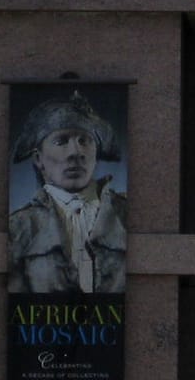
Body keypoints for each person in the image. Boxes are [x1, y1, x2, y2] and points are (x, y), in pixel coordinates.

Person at [8, 92, 128, 293]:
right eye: (61, 142)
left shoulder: (127, 215)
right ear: (38, 160)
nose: (76, 152)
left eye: (84, 141)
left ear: (96, 153)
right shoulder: (19, 228)